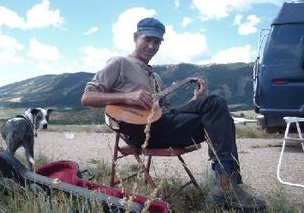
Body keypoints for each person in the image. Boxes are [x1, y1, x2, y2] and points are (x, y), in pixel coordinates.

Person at [81, 17, 266, 211]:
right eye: (148, 39)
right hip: (141, 133)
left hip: (163, 125)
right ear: (136, 37)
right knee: (215, 108)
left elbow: (167, 113)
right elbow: (87, 97)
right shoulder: (120, 63)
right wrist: (128, 97)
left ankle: (225, 184)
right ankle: (226, 187)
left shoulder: (156, 76)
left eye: (157, 42)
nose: (152, 46)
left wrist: (196, 101)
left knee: (215, 105)